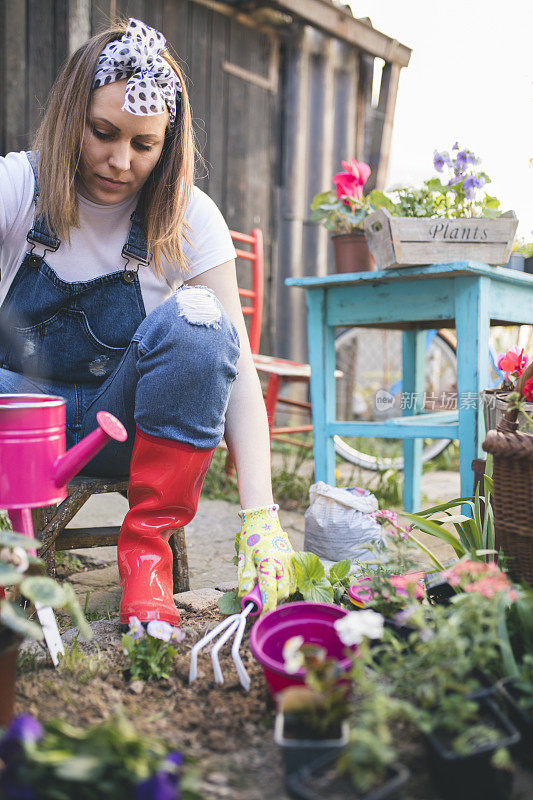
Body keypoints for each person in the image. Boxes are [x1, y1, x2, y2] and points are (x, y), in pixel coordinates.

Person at [0, 18, 295, 626]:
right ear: (69, 117)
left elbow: (234, 367)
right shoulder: (16, 187)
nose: (118, 161)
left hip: (127, 437)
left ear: (169, 142)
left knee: (201, 320)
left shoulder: (190, 216)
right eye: (103, 133)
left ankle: (146, 560)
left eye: (143, 145)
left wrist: (261, 516)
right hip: (20, 435)